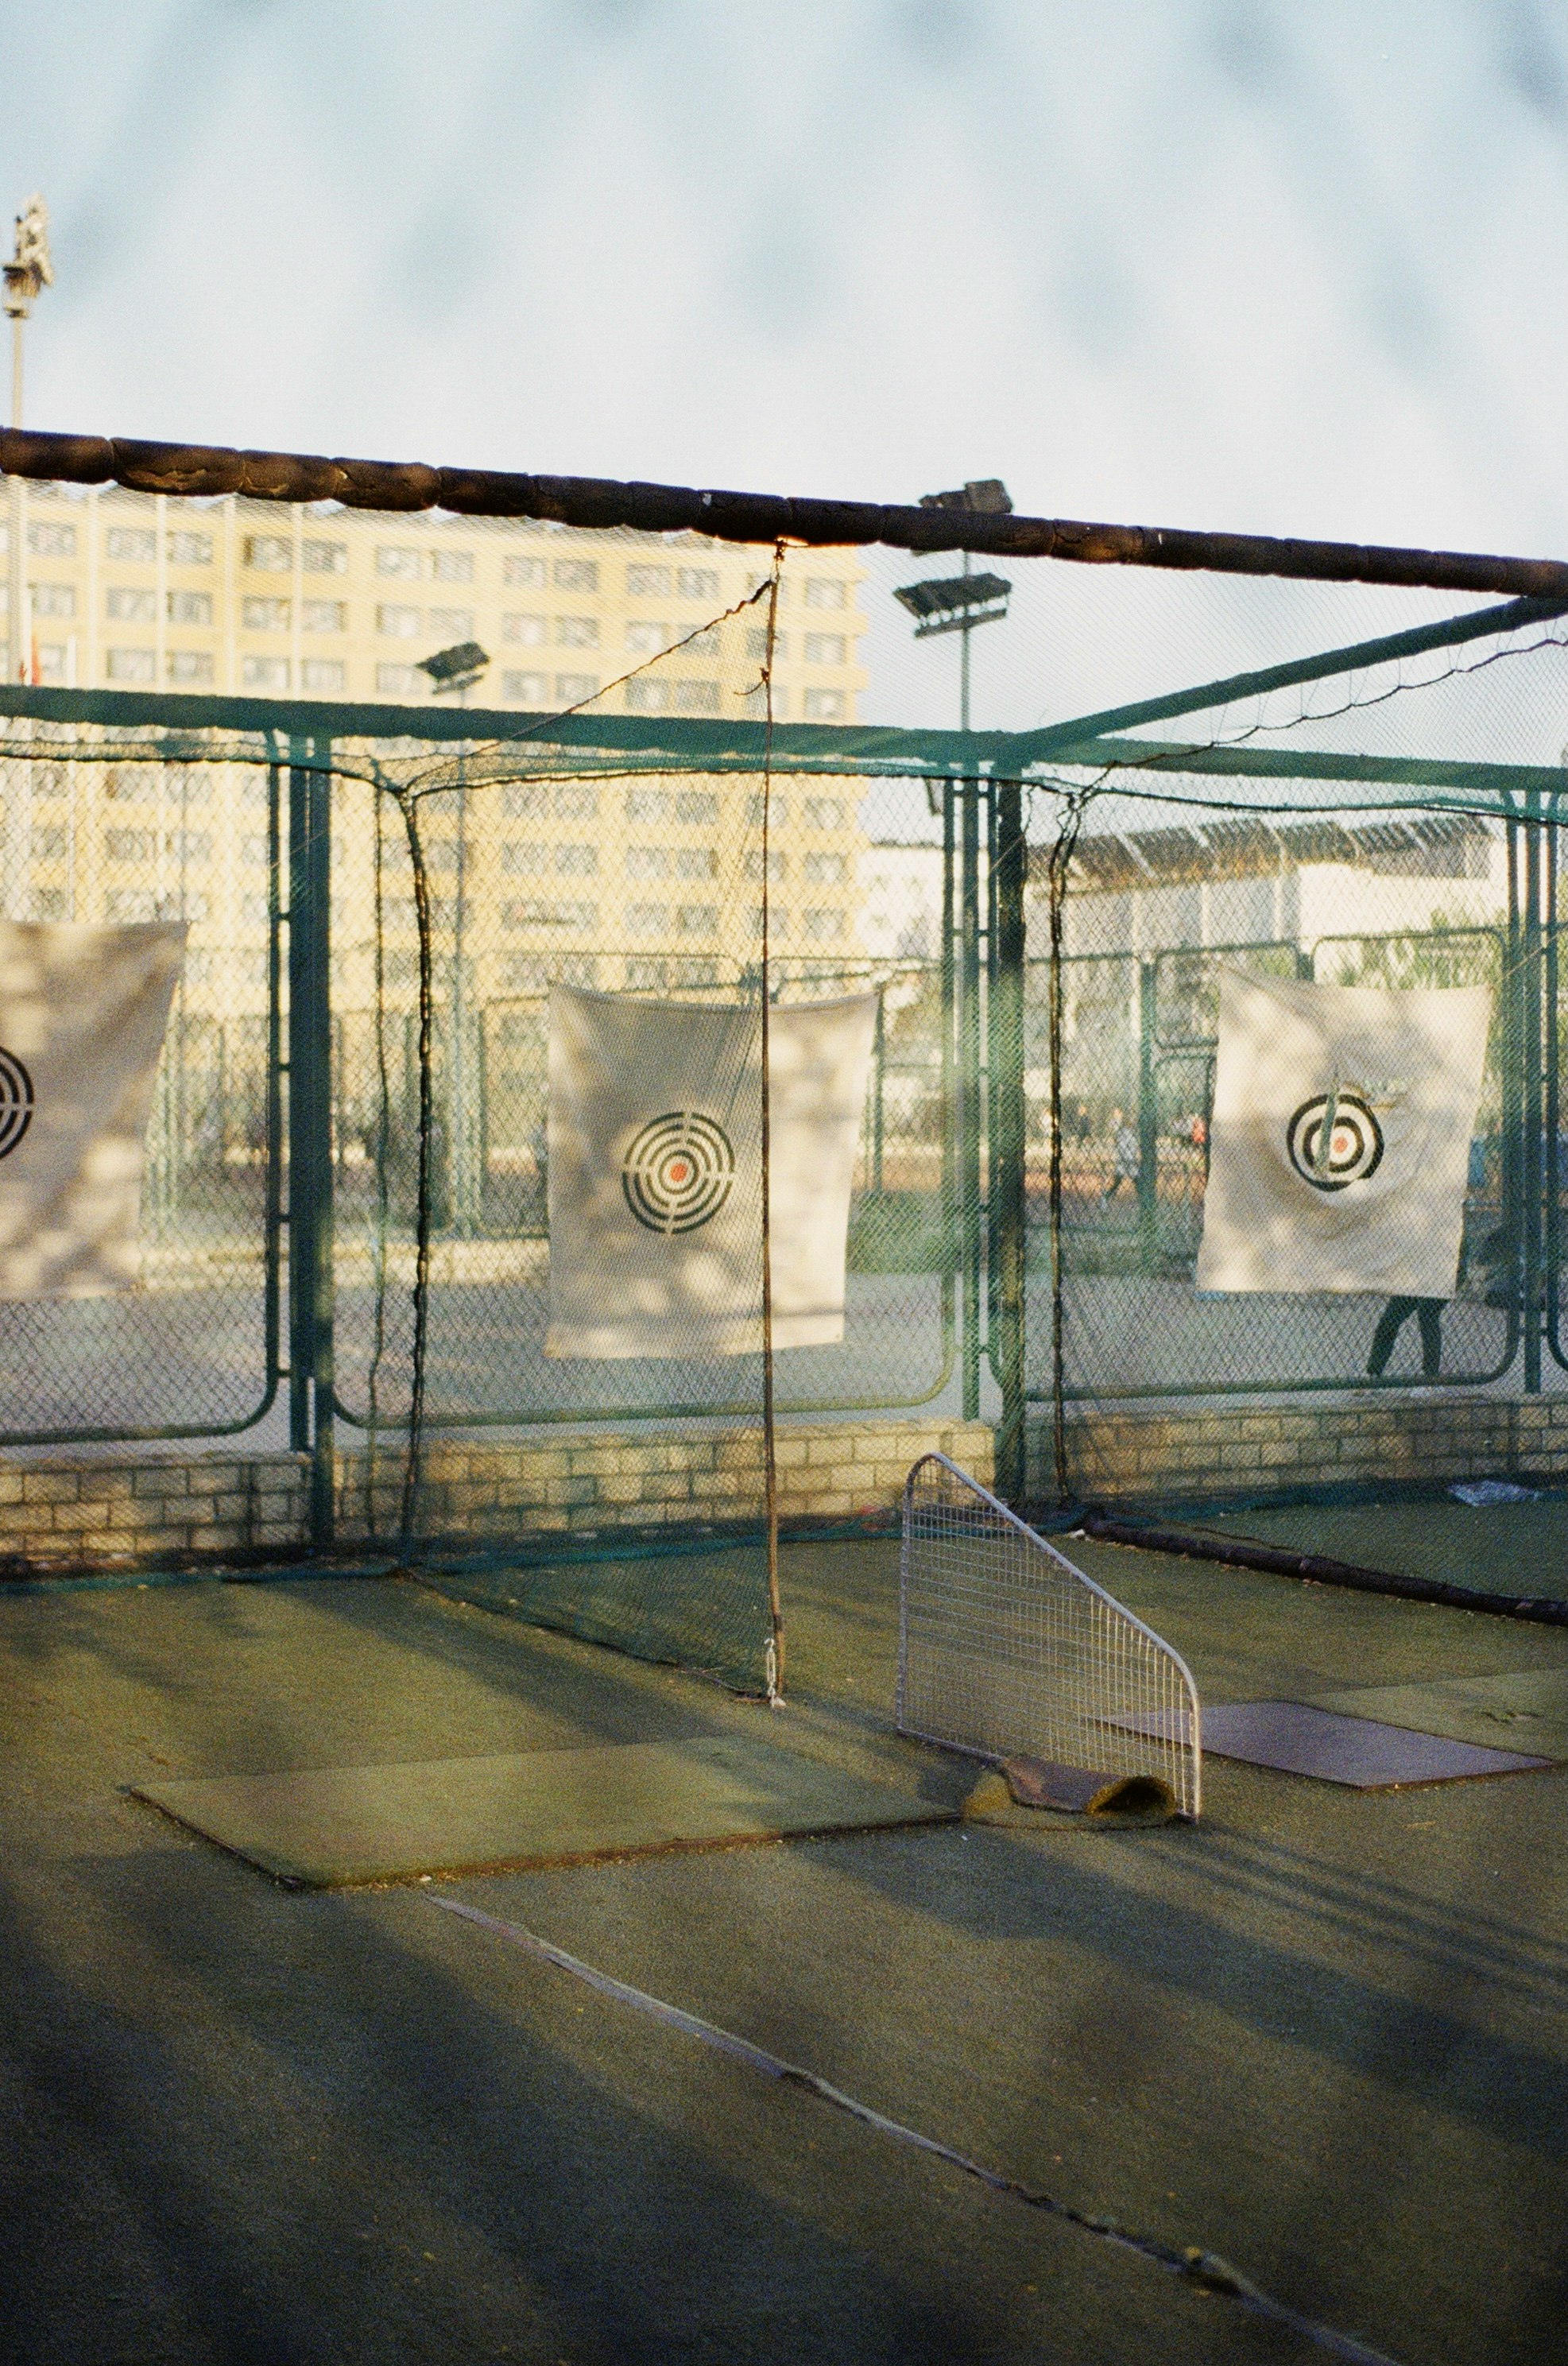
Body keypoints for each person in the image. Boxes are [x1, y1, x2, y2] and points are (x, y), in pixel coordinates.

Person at [1103, 1109, 1140, 1201]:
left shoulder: (1128, 1133)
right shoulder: (1124, 1133)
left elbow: (1133, 1147)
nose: (1132, 1123)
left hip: (1128, 1160)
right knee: (1120, 1181)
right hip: (1126, 1160)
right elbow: (1123, 1147)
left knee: (1135, 1180)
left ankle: (1106, 1197)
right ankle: (1106, 1197)